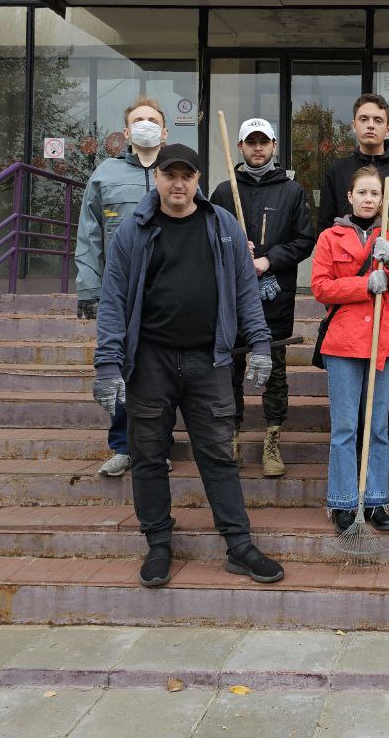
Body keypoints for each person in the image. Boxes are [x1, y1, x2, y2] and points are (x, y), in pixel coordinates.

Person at [92, 143, 285, 588]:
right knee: (148, 455)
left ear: (198, 180)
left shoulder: (222, 226)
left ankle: (239, 545)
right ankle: (158, 544)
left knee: (218, 455)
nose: (178, 184)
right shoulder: (134, 231)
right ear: (157, 178)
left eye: (187, 175)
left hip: (209, 361)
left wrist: (260, 343)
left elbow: (245, 290)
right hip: (150, 362)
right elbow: (113, 300)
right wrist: (107, 365)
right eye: (170, 175)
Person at [317, 94, 389, 478]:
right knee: (351, 380)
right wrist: (353, 282)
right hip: (352, 288)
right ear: (354, 125)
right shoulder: (338, 170)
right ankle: (352, 454)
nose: (371, 125)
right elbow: (326, 227)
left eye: (378, 119)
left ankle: (387, 439)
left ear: (388, 127)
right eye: (364, 119)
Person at [312, 166, 389, 533]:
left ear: (382, 200)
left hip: (385, 340)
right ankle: (342, 501)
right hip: (343, 342)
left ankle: (376, 499)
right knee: (344, 427)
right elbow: (320, 287)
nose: (369, 199)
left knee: (378, 427)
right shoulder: (330, 237)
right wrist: (363, 285)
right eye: (362, 192)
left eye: (375, 194)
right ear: (350, 197)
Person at [211, 117, 315, 478]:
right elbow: (206, 238)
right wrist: (234, 249)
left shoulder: (292, 191)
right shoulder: (223, 192)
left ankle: (272, 441)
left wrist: (269, 259)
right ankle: (233, 438)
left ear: (273, 146)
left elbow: (305, 240)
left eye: (264, 142)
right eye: (251, 142)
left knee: (274, 371)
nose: (258, 148)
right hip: (231, 299)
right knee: (231, 370)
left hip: (274, 299)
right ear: (240, 147)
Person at [74, 97, 168, 479]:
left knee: (161, 370)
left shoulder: (176, 172)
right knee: (118, 365)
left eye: (152, 120)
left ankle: (157, 447)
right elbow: (89, 234)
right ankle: (123, 446)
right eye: (138, 120)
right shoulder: (105, 174)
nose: (146, 125)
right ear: (127, 132)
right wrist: (88, 288)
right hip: (119, 291)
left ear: (165, 131)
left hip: (166, 288)